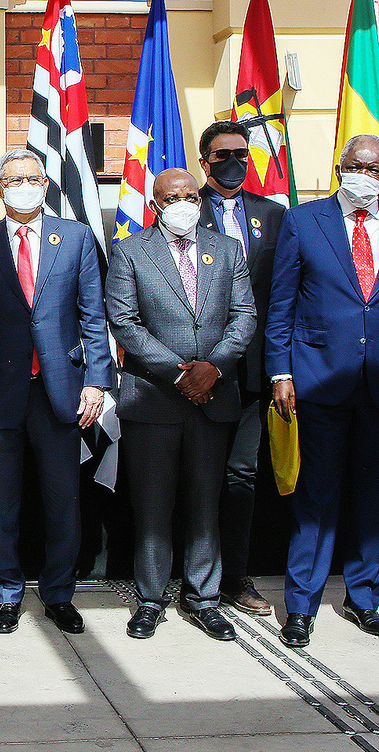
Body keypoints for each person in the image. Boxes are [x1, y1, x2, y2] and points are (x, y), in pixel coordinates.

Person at [265, 133, 379, 648]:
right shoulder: (304, 221)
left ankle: (364, 598)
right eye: (357, 166)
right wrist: (280, 373)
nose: (366, 176)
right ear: (339, 168)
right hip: (318, 379)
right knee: (317, 495)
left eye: (376, 170)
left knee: (372, 496)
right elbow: (282, 303)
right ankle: (302, 606)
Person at [0, 148, 111, 635]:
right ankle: (5, 594)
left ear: (47, 184)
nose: (25, 185)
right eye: (14, 179)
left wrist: (97, 382)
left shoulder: (78, 238)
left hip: (61, 391)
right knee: (0, 502)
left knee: (63, 501)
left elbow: (93, 317)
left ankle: (59, 594)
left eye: (34, 178)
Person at [106, 168, 256, 641]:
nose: (184, 203)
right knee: (152, 506)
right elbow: (125, 322)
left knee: (205, 505)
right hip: (154, 399)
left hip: (214, 397)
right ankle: (150, 600)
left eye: (191, 195)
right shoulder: (130, 251)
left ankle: (204, 598)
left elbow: (245, 314)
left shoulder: (228, 249)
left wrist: (213, 366)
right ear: (155, 204)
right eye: (173, 197)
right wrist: (180, 372)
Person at [197, 120, 285, 616]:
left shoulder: (273, 215)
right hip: (199, 369)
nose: (234, 162)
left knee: (241, 476)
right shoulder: (182, 211)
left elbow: (285, 295)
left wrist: (281, 370)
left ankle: (235, 575)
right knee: (195, 476)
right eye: (223, 154)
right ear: (204, 159)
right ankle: (192, 574)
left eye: (242, 154)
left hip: (252, 372)